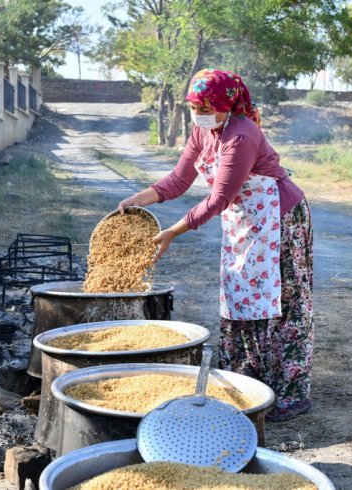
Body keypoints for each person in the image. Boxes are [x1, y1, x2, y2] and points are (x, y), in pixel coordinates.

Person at [118, 69, 314, 421]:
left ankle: (292, 390)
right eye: (195, 107)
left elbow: (219, 197)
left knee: (283, 302)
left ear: (227, 106)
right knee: (242, 294)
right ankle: (250, 380)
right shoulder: (202, 132)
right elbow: (179, 180)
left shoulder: (242, 135)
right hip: (246, 220)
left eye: (207, 107)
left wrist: (172, 232)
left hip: (280, 219)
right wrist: (138, 199)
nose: (200, 114)